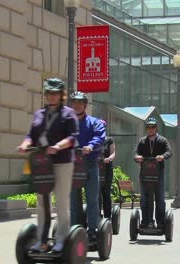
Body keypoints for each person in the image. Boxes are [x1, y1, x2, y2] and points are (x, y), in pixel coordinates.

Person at [17, 78, 78, 252]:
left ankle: (61, 241)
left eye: (55, 93)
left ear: (61, 95)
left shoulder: (68, 113)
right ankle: (41, 241)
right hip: (42, 163)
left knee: (61, 202)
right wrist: (25, 144)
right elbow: (31, 135)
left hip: (62, 162)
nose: (52, 96)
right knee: (42, 203)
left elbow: (73, 137)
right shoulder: (39, 114)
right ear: (45, 94)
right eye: (49, 93)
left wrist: (59, 145)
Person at [69, 91, 106, 243]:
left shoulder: (94, 122)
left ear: (85, 105)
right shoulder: (68, 123)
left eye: (80, 102)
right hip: (72, 166)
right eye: (74, 102)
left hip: (90, 165)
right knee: (73, 200)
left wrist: (90, 146)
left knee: (92, 199)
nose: (77, 105)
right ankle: (75, 230)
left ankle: (92, 231)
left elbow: (100, 136)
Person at [134, 117, 172, 229]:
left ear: (156, 128)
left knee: (160, 198)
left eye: (152, 127)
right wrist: (137, 157)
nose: (150, 129)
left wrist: (162, 156)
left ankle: (160, 222)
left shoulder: (162, 140)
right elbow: (135, 154)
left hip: (158, 173)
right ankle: (145, 221)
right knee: (144, 198)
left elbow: (169, 152)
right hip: (145, 173)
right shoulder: (142, 141)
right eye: (148, 127)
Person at [99, 120, 116, 218]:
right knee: (96, 194)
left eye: (103, 127)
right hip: (96, 168)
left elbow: (113, 152)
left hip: (107, 169)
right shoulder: (94, 139)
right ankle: (96, 215)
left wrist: (109, 158)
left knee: (106, 193)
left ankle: (107, 216)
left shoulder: (109, 140)